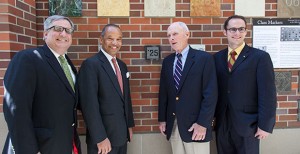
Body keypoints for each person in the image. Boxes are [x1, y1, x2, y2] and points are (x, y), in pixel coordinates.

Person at [2, 15, 81, 154]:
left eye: (68, 31)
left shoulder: (67, 63)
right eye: (57, 29)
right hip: (39, 147)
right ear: (45, 34)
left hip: (65, 143)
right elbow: (16, 110)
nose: (63, 34)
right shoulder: (28, 58)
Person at [214, 15, 277, 154]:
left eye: (241, 29)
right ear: (225, 32)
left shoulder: (260, 57)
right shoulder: (217, 58)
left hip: (249, 125)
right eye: (233, 29)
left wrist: (265, 125)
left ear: (246, 32)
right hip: (222, 124)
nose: (237, 33)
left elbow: (268, 94)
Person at [158, 22, 218, 154]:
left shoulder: (204, 59)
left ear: (187, 34)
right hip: (174, 124)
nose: (171, 38)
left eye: (175, 34)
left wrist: (203, 124)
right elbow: (164, 93)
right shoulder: (168, 62)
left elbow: (211, 95)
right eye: (169, 35)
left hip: (196, 126)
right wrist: (162, 119)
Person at [78, 24, 135, 154]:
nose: (115, 43)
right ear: (101, 39)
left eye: (119, 39)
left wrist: (129, 126)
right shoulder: (91, 65)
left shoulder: (122, 66)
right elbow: (88, 106)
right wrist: (100, 137)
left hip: (121, 135)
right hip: (103, 140)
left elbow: (126, 99)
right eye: (110, 38)